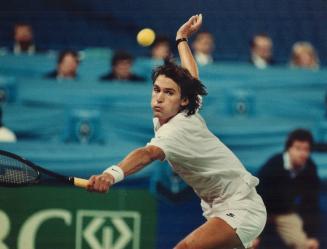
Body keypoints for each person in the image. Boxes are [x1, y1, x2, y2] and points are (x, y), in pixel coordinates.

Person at [87, 14, 266, 249]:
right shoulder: (188, 108)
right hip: (220, 207)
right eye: (156, 90)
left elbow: (147, 153)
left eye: (169, 93)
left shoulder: (176, 129)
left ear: (182, 100)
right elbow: (192, 76)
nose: (159, 98)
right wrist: (181, 39)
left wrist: (110, 175)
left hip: (241, 207)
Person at [257, 129, 320, 249]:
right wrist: (256, 234)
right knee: (248, 242)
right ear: (289, 149)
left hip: (284, 212)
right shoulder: (274, 164)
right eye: (298, 148)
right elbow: (258, 194)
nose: (302, 153)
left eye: (306, 149)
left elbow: (311, 203)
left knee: (306, 245)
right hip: (261, 209)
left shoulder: (310, 168)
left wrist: (310, 235)